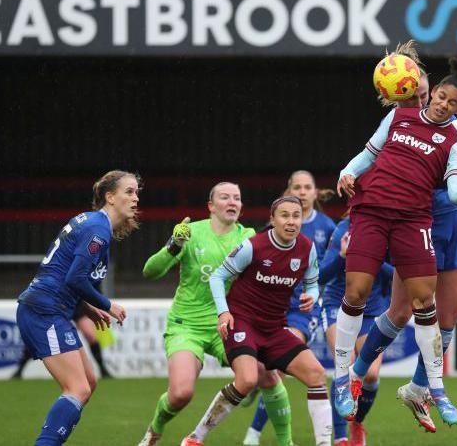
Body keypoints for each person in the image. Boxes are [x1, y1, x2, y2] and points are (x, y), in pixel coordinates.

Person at [347, 42, 457, 432]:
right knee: (401, 311)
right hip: (416, 223)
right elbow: (409, 176)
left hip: (452, 227)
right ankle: (355, 373)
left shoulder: (453, 130)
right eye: (424, 90)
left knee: (449, 316)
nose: (428, 95)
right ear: (406, 89)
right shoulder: (402, 120)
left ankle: (418, 387)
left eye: (433, 89)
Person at [137, 182, 294, 446]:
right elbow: (150, 271)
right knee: (180, 394)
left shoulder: (248, 236)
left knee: (266, 373)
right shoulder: (191, 233)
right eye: (225, 197)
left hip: (229, 324)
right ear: (211, 206)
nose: (232, 202)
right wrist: (173, 245)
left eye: (237, 198)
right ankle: (155, 429)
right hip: (187, 324)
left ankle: (286, 442)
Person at [181, 196, 332, 446]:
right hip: (242, 323)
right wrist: (223, 312)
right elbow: (217, 277)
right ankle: (195, 438)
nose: (291, 221)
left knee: (316, 374)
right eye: (284, 215)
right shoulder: (254, 246)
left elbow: (313, 283)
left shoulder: (307, 248)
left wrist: (312, 296)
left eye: (296, 215)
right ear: (272, 220)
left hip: (274, 328)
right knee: (247, 380)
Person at [16, 170, 136, 446]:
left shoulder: (94, 223)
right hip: (43, 310)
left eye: (136, 192)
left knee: (89, 382)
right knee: (78, 388)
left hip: (52, 307)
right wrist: (107, 304)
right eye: (129, 192)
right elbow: (74, 278)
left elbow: (67, 276)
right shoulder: (98, 229)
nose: (135, 198)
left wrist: (89, 308)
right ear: (109, 197)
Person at [243, 171, 335, 446]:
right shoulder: (279, 222)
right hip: (273, 306)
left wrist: (316, 290)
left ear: (316, 192)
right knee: (268, 372)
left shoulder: (327, 227)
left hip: (303, 309)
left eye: (308, 187)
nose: (303, 191)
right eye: (298, 187)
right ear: (289, 190)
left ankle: (253, 434)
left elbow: (329, 271)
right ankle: (255, 391)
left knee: (277, 371)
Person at [321, 214, 393, 445]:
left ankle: (358, 423)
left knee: (370, 375)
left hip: (373, 309)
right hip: (338, 304)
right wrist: (343, 256)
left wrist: (371, 257)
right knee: (345, 365)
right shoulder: (343, 230)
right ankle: (341, 437)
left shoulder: (392, 228)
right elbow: (322, 275)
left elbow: (398, 274)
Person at [12, 309, 114, 380]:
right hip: (60, 302)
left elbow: (94, 288)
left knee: (90, 334)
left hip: (79, 303)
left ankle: (102, 369)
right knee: (39, 335)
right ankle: (20, 370)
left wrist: (100, 305)